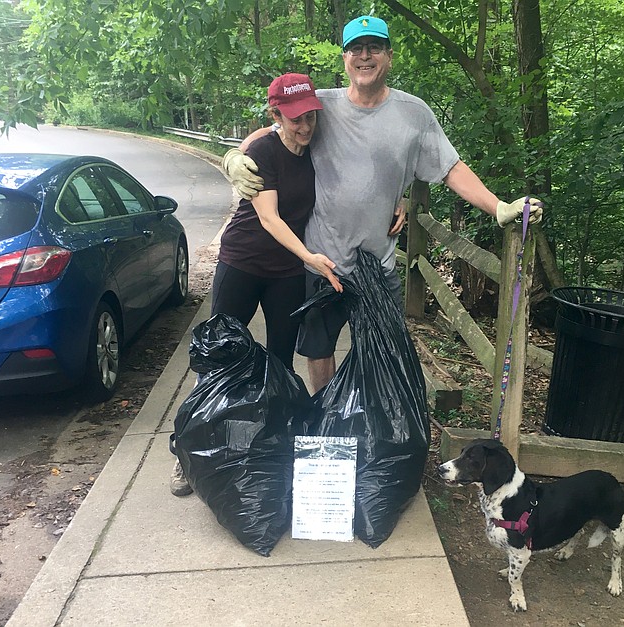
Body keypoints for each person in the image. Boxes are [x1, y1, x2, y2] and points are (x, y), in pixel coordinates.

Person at [222, 15, 543, 395]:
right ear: (344, 59)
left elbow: (450, 167)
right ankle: (329, 416)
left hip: (379, 262)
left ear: (389, 56)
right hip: (322, 261)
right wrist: (233, 157)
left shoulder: (415, 114)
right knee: (318, 349)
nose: (365, 56)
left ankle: (373, 421)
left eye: (374, 47)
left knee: (381, 349)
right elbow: (273, 132)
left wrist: (498, 207)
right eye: (356, 48)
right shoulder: (322, 106)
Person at [170, 73, 341, 496]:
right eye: (294, 119)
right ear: (276, 114)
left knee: (279, 363)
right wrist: (309, 257)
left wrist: (399, 200)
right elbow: (269, 217)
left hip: (285, 274)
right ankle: (186, 454)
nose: (304, 127)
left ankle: (268, 448)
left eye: (310, 118)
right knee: (218, 356)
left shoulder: (315, 147)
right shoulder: (263, 150)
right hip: (243, 262)